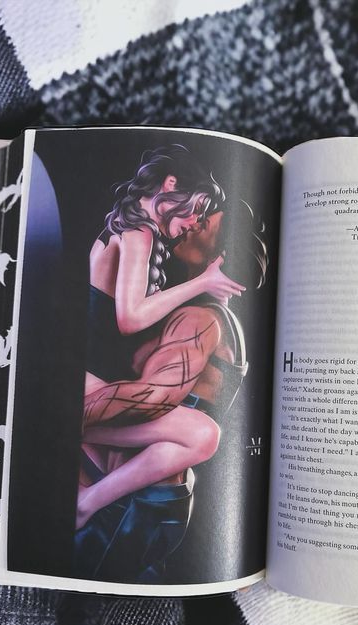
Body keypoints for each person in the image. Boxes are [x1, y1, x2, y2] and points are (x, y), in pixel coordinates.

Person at [74, 198, 267, 582]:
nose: (192, 224)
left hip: (138, 503)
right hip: (149, 491)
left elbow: (152, 398)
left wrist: (64, 413)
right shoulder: (201, 309)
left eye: (204, 225)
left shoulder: (200, 319)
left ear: (221, 256)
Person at [79, 145, 245, 530]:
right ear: (171, 185)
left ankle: (87, 501)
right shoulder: (137, 232)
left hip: (99, 384)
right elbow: (129, 318)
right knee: (203, 434)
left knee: (203, 436)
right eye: (197, 210)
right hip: (87, 388)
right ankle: (85, 504)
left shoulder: (138, 232)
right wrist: (202, 282)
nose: (193, 223)